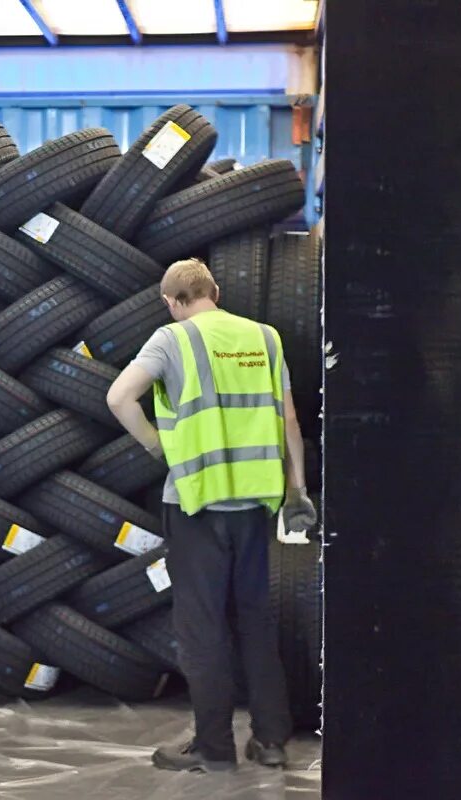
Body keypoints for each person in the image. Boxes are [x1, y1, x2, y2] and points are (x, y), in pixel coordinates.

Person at [105, 258, 317, 773]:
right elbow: (288, 416)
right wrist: (298, 490)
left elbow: (118, 398)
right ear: (215, 291)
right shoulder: (264, 338)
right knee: (255, 624)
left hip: (197, 505)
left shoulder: (170, 340)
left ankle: (215, 748)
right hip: (253, 503)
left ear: (171, 301)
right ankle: (270, 742)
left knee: (203, 629)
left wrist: (161, 449)